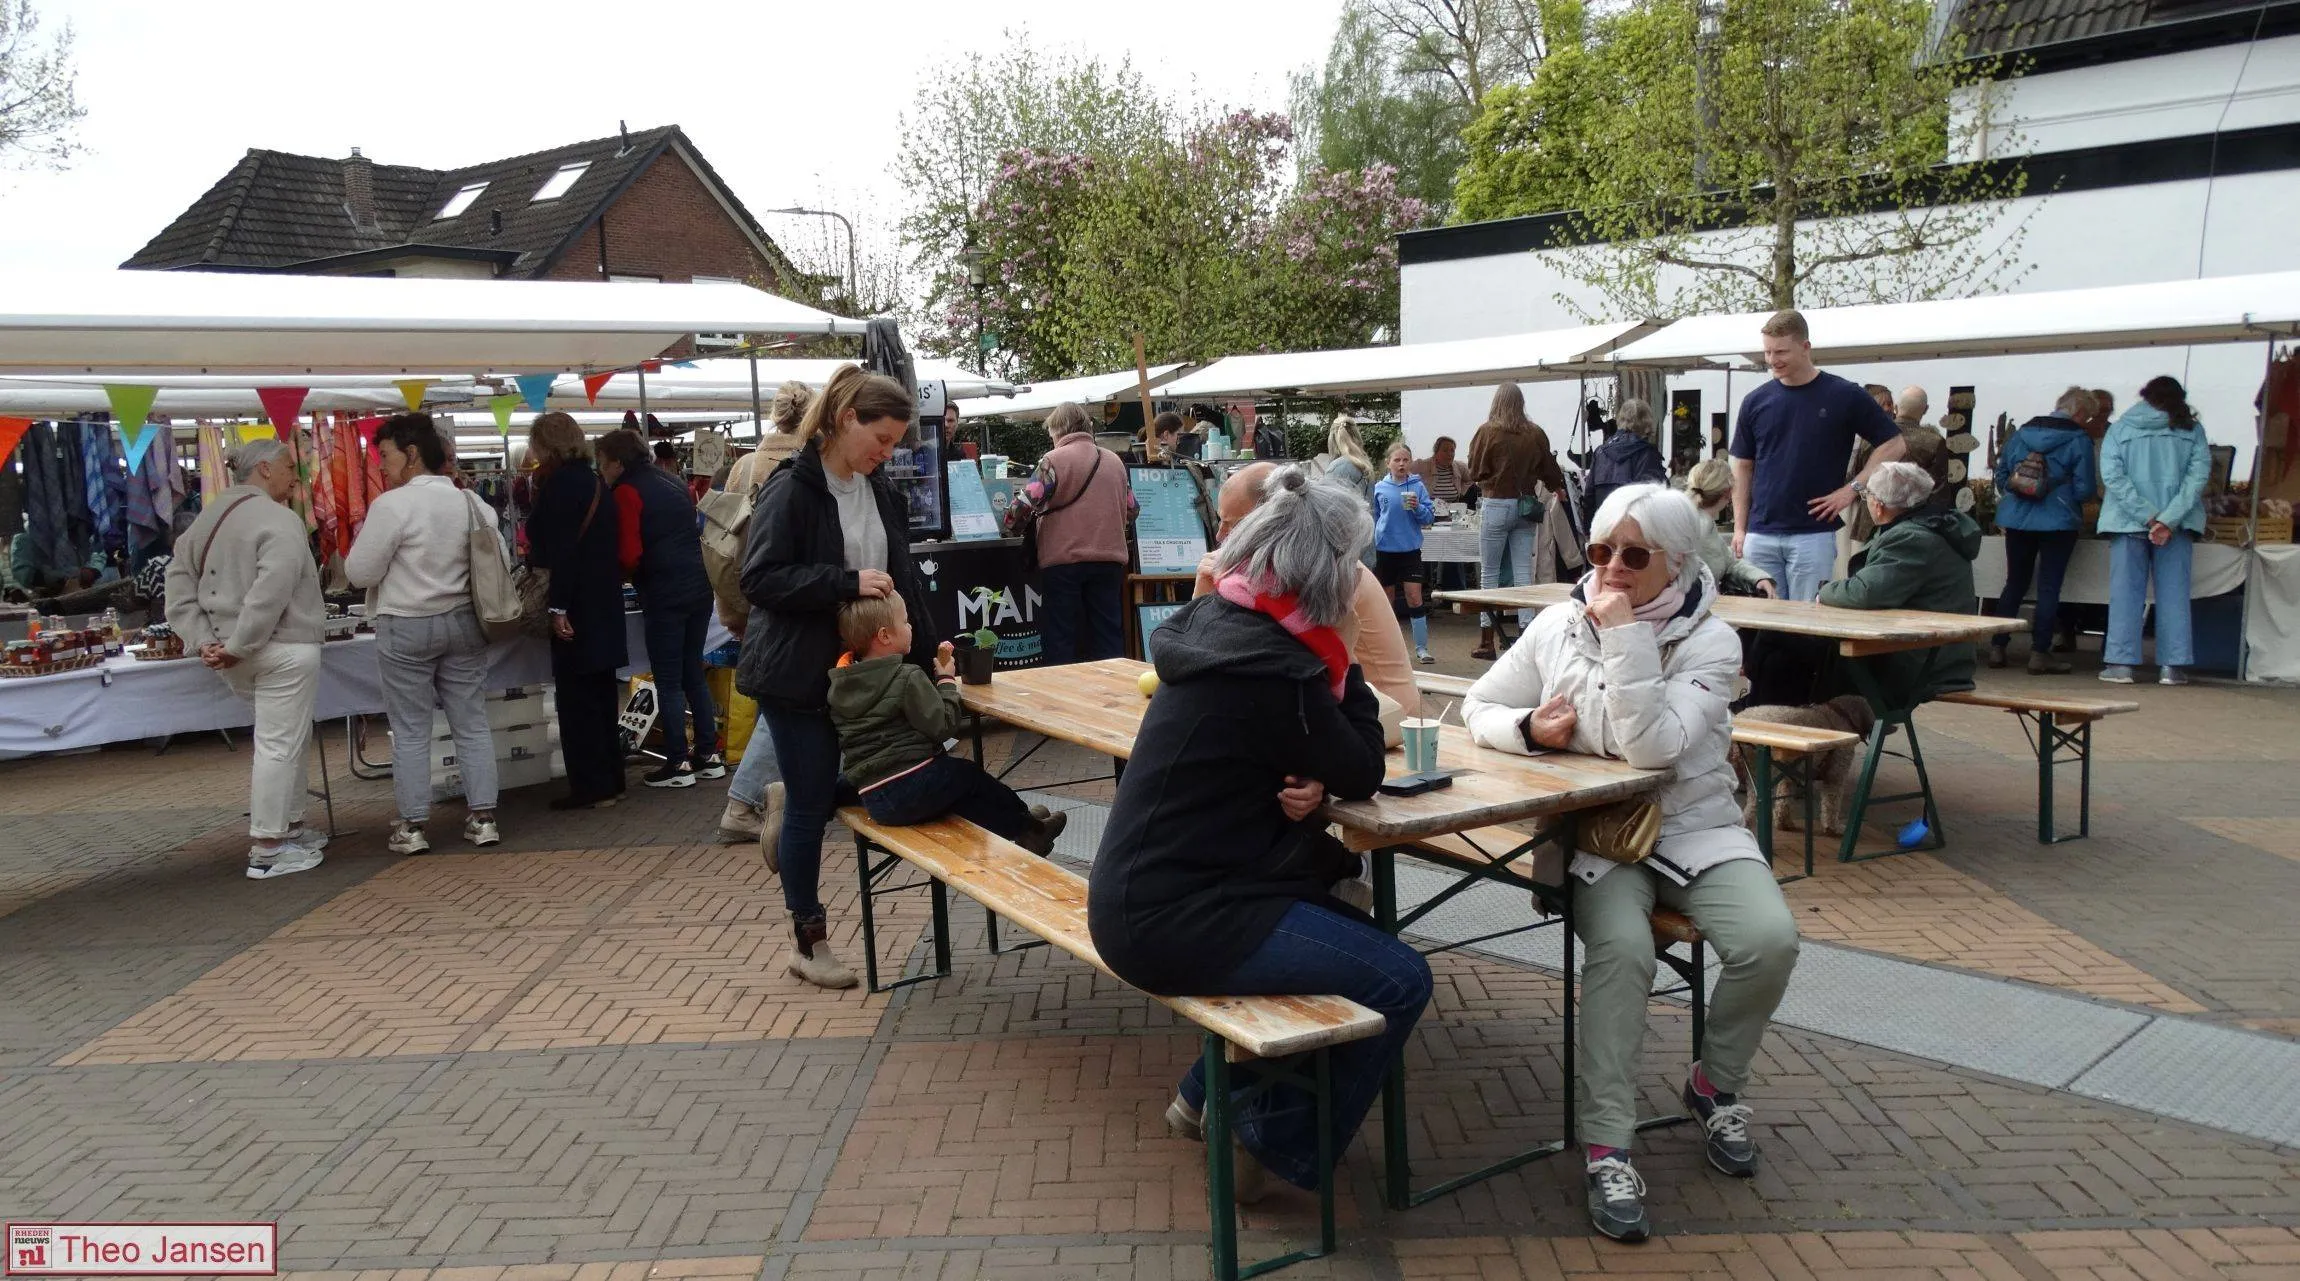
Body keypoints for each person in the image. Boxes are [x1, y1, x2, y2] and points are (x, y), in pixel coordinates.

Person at [1462, 483, 1799, 1243]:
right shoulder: (1557, 623)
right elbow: (1478, 705)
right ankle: (1609, 1146)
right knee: (1621, 951)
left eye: (1634, 554)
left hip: (1697, 828)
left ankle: (1713, 1086)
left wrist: (1624, 639)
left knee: (1769, 941)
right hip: (1599, 837)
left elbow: (1655, 749)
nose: (1611, 566)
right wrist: (1527, 729)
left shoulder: (1712, 641)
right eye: (1602, 549)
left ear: (1675, 562)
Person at [1091, 465, 1429, 1204]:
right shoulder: (1283, 668)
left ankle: (1204, 1088)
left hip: (1146, 896)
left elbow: (1297, 754)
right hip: (1179, 917)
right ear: (1328, 579)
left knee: (1351, 918)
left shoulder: (1223, 628)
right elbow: (1363, 767)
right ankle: (1271, 1143)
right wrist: (1350, 667)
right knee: (1400, 977)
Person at [739, 364, 936, 989]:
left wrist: (931, 651)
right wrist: (844, 583)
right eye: (881, 440)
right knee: (808, 804)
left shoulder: (879, 493)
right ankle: (809, 941)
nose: (887, 454)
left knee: (872, 775)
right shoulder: (792, 487)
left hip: (862, 673)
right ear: (847, 418)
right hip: (797, 674)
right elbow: (760, 579)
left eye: (895, 444)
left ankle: (795, 795)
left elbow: (901, 577)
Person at [343, 412, 508, 854]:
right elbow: (500, 565)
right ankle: (483, 818)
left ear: (411, 455)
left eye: (385, 454)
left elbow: (359, 571)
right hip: (465, 623)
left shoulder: (392, 506)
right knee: (471, 723)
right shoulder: (475, 504)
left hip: (406, 625)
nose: (380, 464)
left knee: (411, 730)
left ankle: (413, 826)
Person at [165, 439, 330, 879]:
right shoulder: (279, 521)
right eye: (289, 466)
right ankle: (268, 847)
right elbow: (271, 590)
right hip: (279, 646)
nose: (295, 474)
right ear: (263, 470)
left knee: (282, 739)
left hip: (229, 649)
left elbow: (178, 591)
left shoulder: (203, 522)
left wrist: (206, 642)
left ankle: (290, 829)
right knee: (279, 745)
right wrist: (241, 643)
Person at [827, 593, 1068, 853]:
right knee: (968, 777)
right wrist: (945, 680)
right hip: (909, 786)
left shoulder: (841, 683)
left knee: (955, 794)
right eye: (906, 622)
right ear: (885, 636)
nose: (911, 627)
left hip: (874, 798)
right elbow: (944, 725)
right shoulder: (906, 676)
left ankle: (1026, 825)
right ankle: (1028, 827)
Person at [1193, 461, 1418, 716]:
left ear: (1270, 520)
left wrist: (1205, 598)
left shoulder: (1320, 573)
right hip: (1351, 708)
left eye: (1232, 525)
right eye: (1220, 521)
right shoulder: (1301, 567)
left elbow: (1231, 656)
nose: (1221, 536)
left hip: (1387, 718)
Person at [1729, 310, 1907, 601]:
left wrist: (1853, 490)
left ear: (1805, 347)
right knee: (1761, 626)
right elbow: (1743, 466)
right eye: (1767, 352)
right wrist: (1739, 527)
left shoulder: (1844, 394)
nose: (1772, 360)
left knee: (1808, 624)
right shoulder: (1755, 401)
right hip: (1760, 532)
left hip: (1812, 534)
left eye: (1781, 351)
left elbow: (1895, 445)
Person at [712, 381, 810, 848]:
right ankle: (746, 799)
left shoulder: (746, 465)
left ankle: (768, 795)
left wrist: (729, 606)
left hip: (748, 596)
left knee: (782, 693)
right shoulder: (808, 463)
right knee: (786, 696)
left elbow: (725, 546)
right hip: (791, 595)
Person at [596, 428, 722, 787]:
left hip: (664, 591)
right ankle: (708, 754)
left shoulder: (626, 492)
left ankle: (678, 763)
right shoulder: (673, 482)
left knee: (667, 679)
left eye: (603, 464)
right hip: (699, 585)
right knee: (692, 672)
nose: (602, 472)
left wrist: (618, 575)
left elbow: (630, 552)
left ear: (618, 463)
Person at [525, 411, 630, 811]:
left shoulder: (558, 487)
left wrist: (558, 607)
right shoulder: (595, 482)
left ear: (546, 444)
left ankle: (591, 785)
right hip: (604, 598)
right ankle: (612, 779)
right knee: (603, 695)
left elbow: (563, 553)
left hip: (577, 601)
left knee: (576, 700)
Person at [1817, 462, 1982, 708]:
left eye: (1867, 496)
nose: (1867, 501)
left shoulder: (1911, 537)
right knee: (1807, 654)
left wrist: (1823, 591)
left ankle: (1804, 732)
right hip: (1926, 652)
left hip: (1922, 664)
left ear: (1879, 505)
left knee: (1806, 657)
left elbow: (1866, 592)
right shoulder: (1931, 524)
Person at [1004, 402, 1136, 665]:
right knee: (1108, 635)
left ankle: (1063, 697)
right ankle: (1112, 695)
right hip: (1109, 561)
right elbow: (1133, 509)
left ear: (1059, 430)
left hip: (1063, 563)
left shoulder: (1053, 460)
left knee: (1061, 636)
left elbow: (1022, 507)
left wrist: (1010, 525)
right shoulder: (1114, 461)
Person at [2098, 376, 2211, 686]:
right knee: (2174, 594)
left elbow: (2113, 477)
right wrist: (2167, 520)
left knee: (2124, 594)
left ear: (2144, 395)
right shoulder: (2192, 430)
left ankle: (2121, 664)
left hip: (2126, 522)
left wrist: (2148, 517)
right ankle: (2172, 666)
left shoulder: (2120, 429)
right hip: (2177, 527)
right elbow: (2197, 480)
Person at [1987, 388, 2100, 674]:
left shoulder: (2022, 433)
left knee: (2014, 583)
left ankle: (1998, 647)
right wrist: (2065, 497)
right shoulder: (2079, 439)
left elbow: (2002, 475)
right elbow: (2086, 488)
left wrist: (2021, 494)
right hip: (2058, 521)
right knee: (2049, 586)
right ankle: (2039, 653)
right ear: (2079, 413)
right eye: (2087, 416)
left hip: (2017, 518)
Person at [1465, 383, 1568, 657]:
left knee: (1490, 572)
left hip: (1496, 503)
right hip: (1526, 506)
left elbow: (1475, 470)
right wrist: (1557, 486)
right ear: (1521, 403)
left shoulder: (1487, 432)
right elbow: (1549, 468)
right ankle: (1525, 635)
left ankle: (1487, 639)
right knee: (1524, 574)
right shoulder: (1535, 433)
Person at [1372, 441, 1438, 664]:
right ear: (1388, 463)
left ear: (1410, 462)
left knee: (1414, 597)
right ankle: (1390, 649)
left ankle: (1422, 649)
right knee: (1386, 601)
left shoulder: (1417, 486)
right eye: (1397, 460)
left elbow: (1429, 518)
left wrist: (1418, 507)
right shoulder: (1379, 488)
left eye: (1405, 460)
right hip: (1385, 551)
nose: (1401, 464)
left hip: (1410, 550)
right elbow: (1375, 516)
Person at [1680, 458, 1777, 597]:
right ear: (1727, 492)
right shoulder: (1698, 526)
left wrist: (1758, 578)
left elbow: (1728, 561)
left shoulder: (1698, 521)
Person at [1584, 398, 1669, 515]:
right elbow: (1658, 494)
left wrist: (1591, 529)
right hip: (1636, 526)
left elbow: (1589, 496)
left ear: (1620, 419)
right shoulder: (1647, 453)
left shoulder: (1600, 452)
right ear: (1646, 422)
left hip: (1605, 524)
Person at [1324, 414, 1375, 499]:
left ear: (1332, 440)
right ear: (1357, 436)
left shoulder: (1336, 468)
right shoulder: (1365, 464)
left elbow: (1328, 505)